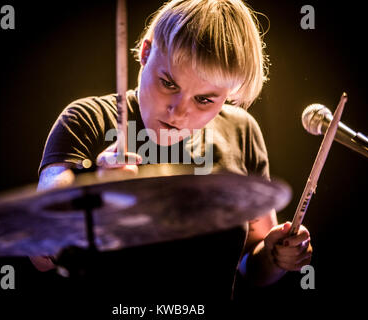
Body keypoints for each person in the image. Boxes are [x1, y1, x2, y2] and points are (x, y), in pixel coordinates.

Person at [32, 0, 312, 298]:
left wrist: (275, 256)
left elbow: (250, 267)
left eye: (204, 100)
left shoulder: (241, 131)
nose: (178, 112)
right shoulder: (87, 119)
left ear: (228, 95)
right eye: (168, 83)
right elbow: (39, 249)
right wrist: (94, 195)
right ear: (145, 52)